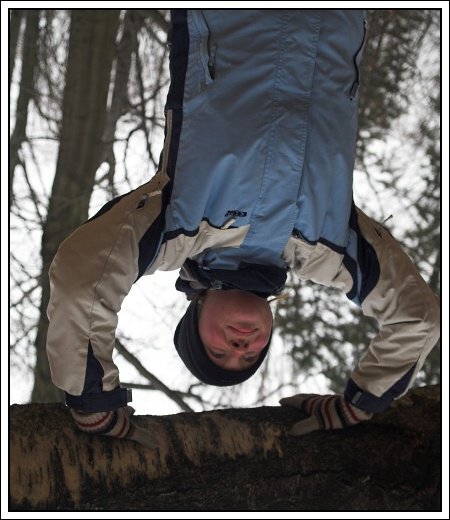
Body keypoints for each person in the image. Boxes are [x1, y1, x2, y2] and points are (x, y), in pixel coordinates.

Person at [46, 10, 440, 446]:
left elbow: (84, 280)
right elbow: (417, 319)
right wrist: (361, 402)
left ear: (197, 310)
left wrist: (91, 399)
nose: (239, 349)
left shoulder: (175, 225)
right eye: (251, 356)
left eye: (217, 351)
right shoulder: (333, 249)